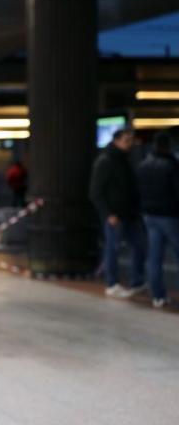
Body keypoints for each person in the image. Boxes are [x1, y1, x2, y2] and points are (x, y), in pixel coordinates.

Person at [90, 128, 146, 298]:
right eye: (127, 140)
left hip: (130, 213)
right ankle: (111, 283)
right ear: (117, 141)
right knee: (112, 248)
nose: (130, 144)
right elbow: (95, 192)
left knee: (139, 246)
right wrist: (108, 214)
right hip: (115, 215)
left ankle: (137, 281)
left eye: (131, 140)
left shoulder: (125, 160)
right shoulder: (106, 161)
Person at [138, 132, 179, 309]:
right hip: (169, 216)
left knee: (154, 257)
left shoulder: (143, 165)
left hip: (149, 216)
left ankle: (158, 296)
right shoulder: (172, 165)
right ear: (168, 146)